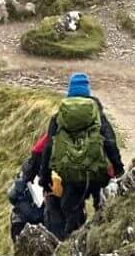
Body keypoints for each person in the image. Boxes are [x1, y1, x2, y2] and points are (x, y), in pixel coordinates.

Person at [11, 74, 126, 245]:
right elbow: (110, 142)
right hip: (95, 175)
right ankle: (98, 241)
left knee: (63, 208)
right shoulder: (98, 115)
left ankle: (64, 247)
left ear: (70, 93)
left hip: (67, 176)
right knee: (100, 208)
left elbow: (48, 148)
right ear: (88, 93)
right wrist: (118, 168)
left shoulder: (59, 117)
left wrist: (44, 178)